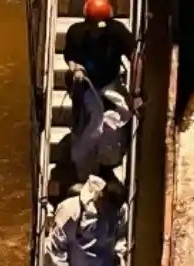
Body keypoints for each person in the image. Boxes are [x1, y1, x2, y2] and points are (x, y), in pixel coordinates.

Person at [63, 0, 138, 180]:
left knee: (119, 118)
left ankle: (109, 161)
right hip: (88, 85)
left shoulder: (117, 31)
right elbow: (70, 57)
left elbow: (135, 54)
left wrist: (136, 90)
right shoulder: (76, 33)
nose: (98, 31)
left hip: (111, 83)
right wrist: (77, 69)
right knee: (93, 126)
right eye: (94, 27)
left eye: (102, 27)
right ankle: (83, 164)